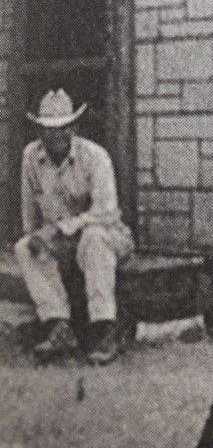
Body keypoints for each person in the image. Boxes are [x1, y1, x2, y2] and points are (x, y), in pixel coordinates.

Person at [14, 89, 133, 365]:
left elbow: (106, 212)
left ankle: (105, 328)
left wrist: (60, 228)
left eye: (65, 127)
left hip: (109, 236)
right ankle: (58, 325)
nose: (58, 135)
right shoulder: (31, 157)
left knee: (93, 237)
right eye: (50, 129)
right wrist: (38, 238)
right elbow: (30, 217)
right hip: (65, 244)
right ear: (39, 131)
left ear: (75, 127)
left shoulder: (96, 156)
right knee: (25, 247)